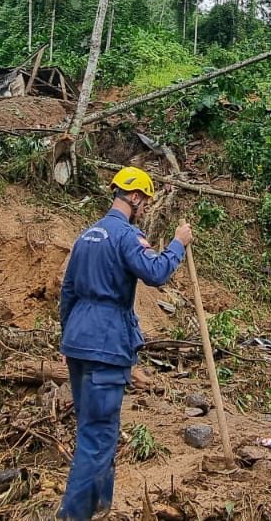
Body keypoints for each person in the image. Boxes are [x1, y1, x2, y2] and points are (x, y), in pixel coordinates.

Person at [57, 166, 193, 521]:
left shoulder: (86, 236)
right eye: (145, 200)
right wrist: (179, 242)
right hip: (106, 345)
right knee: (98, 435)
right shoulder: (125, 236)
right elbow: (156, 273)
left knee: (93, 428)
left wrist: (69, 336)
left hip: (78, 342)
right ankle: (73, 515)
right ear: (134, 197)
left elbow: (67, 293)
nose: (146, 206)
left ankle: (101, 506)